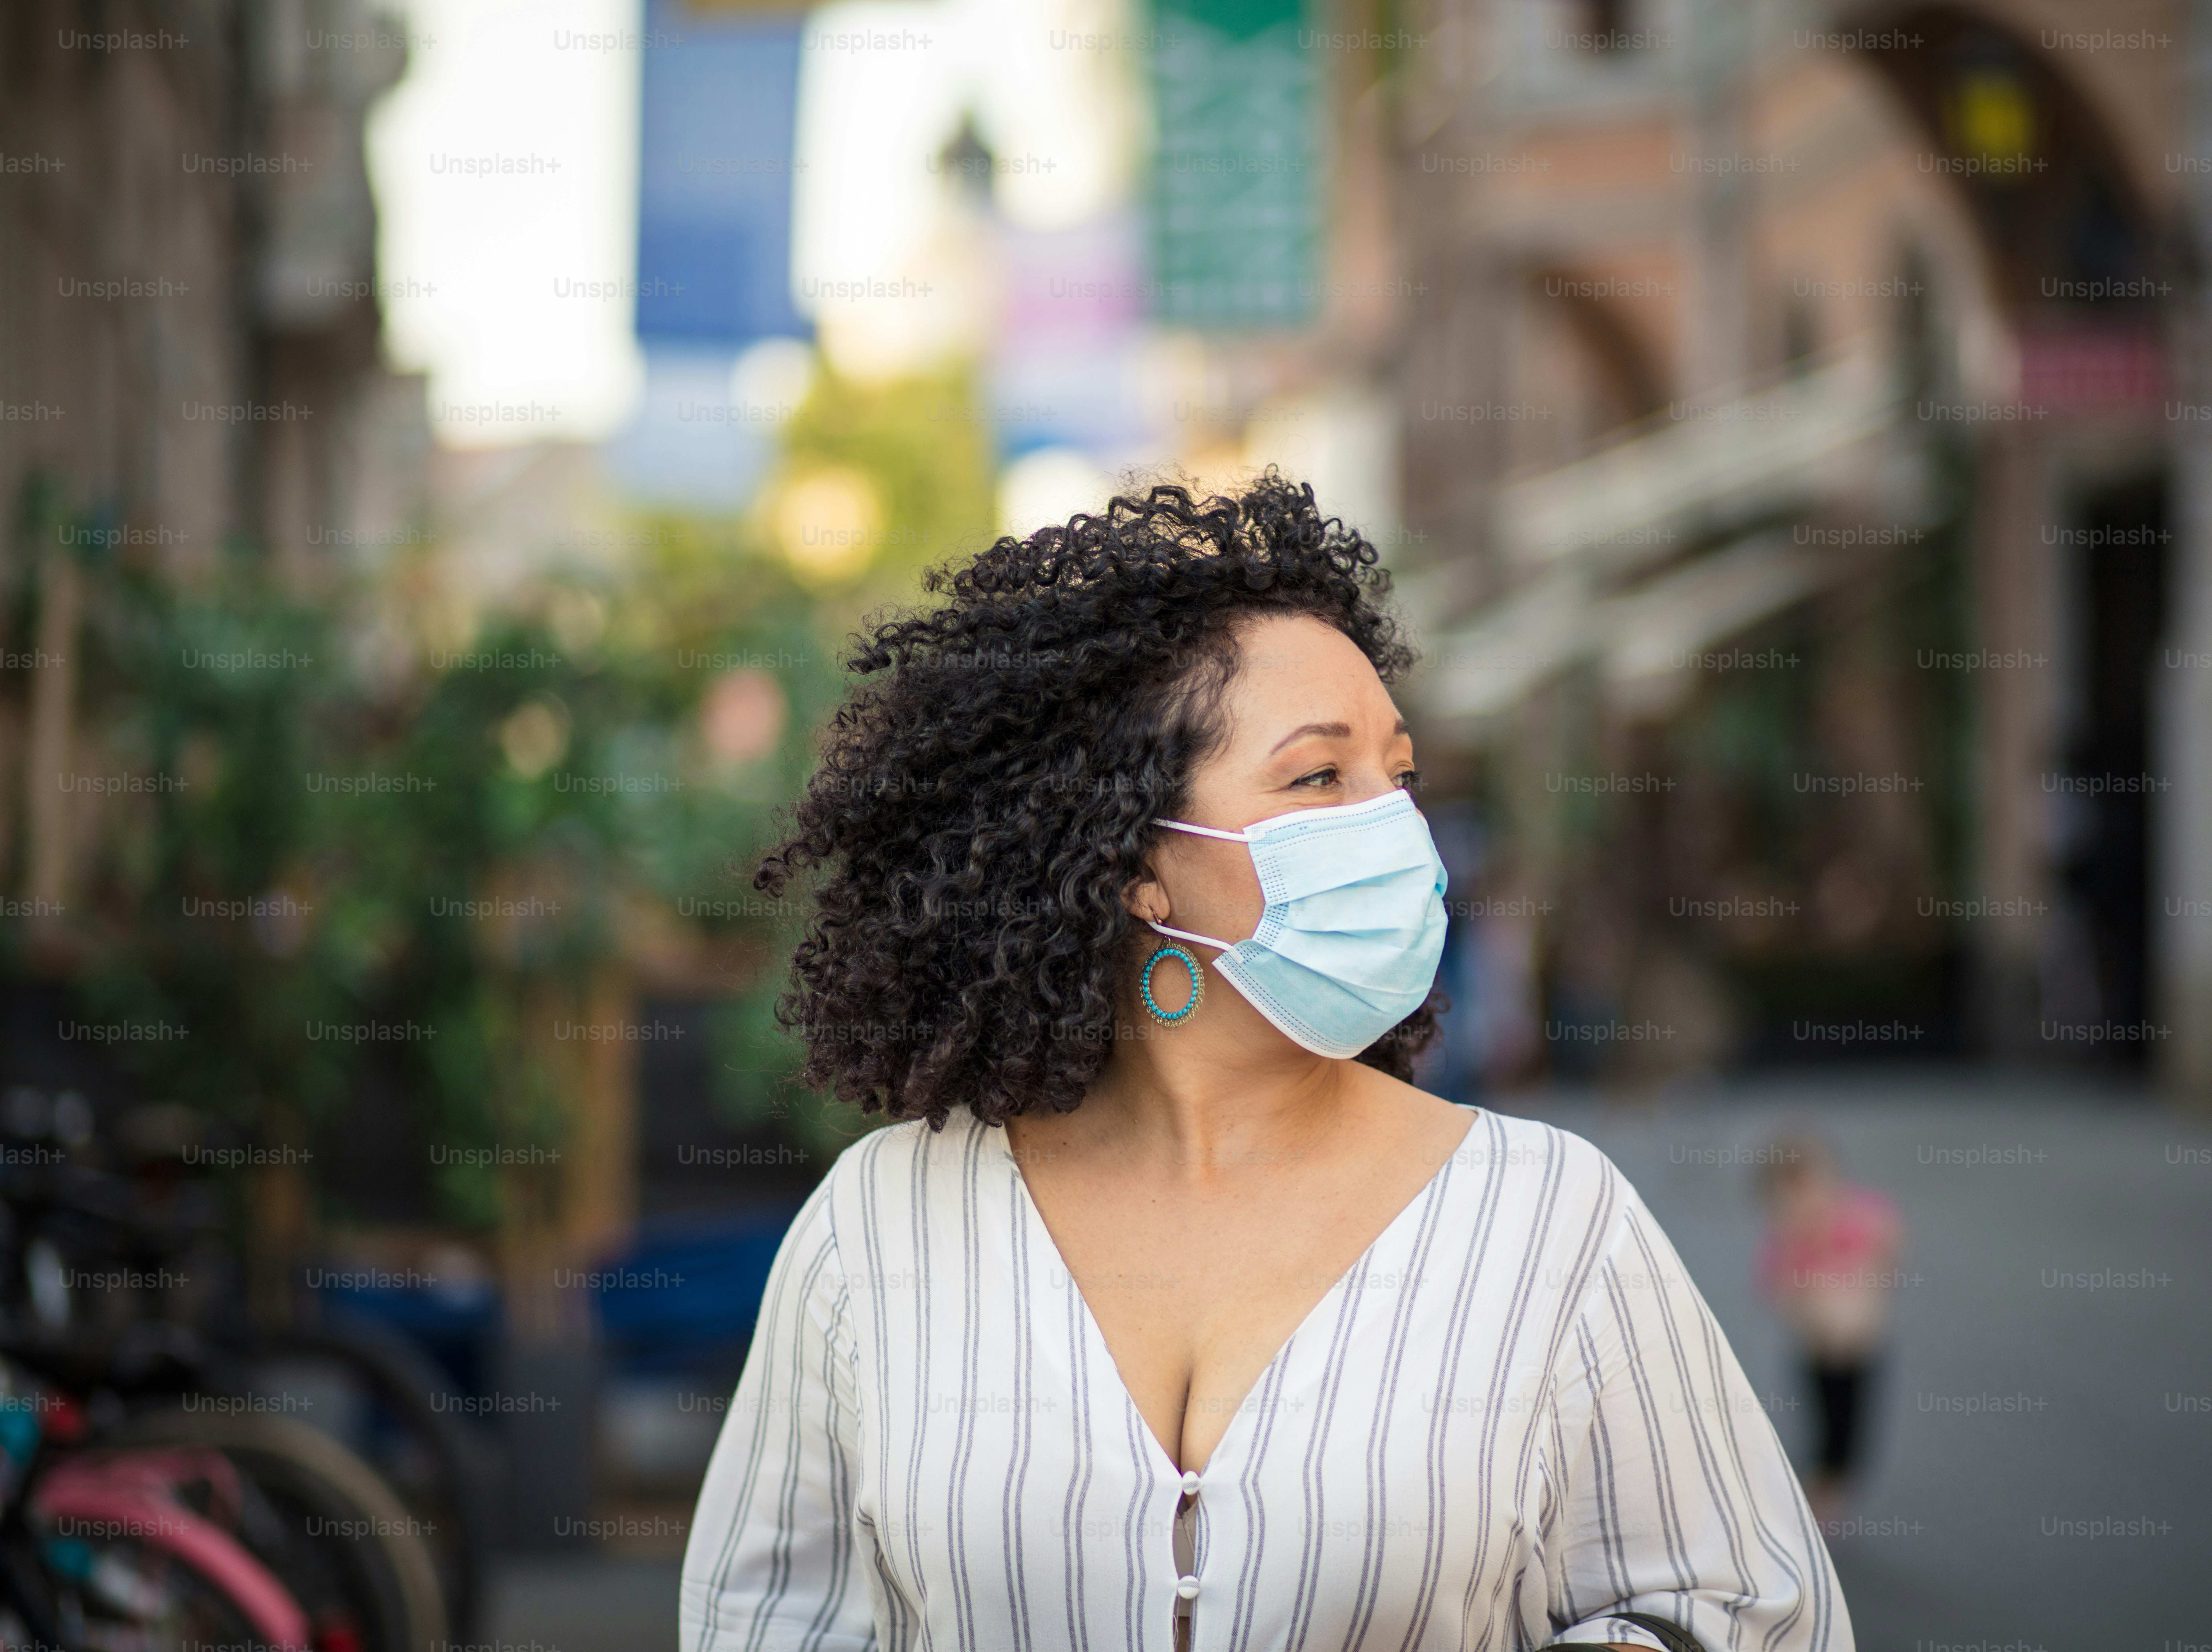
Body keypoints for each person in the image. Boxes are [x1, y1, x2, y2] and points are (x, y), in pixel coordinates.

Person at [679, 476, 1851, 1652]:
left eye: (1397, 775)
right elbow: (766, 1618)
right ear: (1133, 862)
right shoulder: (879, 1228)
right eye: (1315, 777)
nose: (1392, 827)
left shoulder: (1551, 1218)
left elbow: (1748, 1613)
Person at [1754, 1135, 1903, 1520]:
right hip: (1818, 1356)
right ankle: (1813, 1509)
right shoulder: (1788, 1246)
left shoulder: (1859, 1221)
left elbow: (1886, 1247)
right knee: (1825, 1438)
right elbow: (1780, 1294)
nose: (1806, 1206)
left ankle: (1822, 1503)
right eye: (1791, 1199)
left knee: (1851, 1444)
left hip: (1862, 1352)